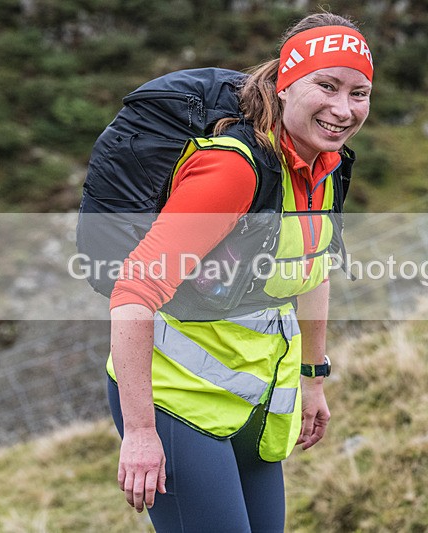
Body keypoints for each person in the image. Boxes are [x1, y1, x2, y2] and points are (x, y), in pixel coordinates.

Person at [106, 11, 373, 532]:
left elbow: (312, 273)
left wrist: (313, 378)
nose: (343, 109)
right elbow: (134, 292)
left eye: (359, 92)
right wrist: (139, 431)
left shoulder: (326, 168)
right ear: (284, 84)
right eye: (327, 86)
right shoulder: (235, 169)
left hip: (257, 401)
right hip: (176, 402)